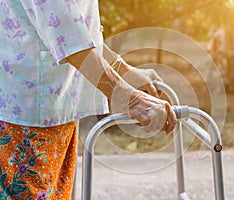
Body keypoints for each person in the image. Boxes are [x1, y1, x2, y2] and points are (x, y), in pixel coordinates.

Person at [0, 1, 177, 199]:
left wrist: (122, 70)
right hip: (24, 114)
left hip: (53, 105)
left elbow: (79, 27)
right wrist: (130, 97)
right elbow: (65, 29)